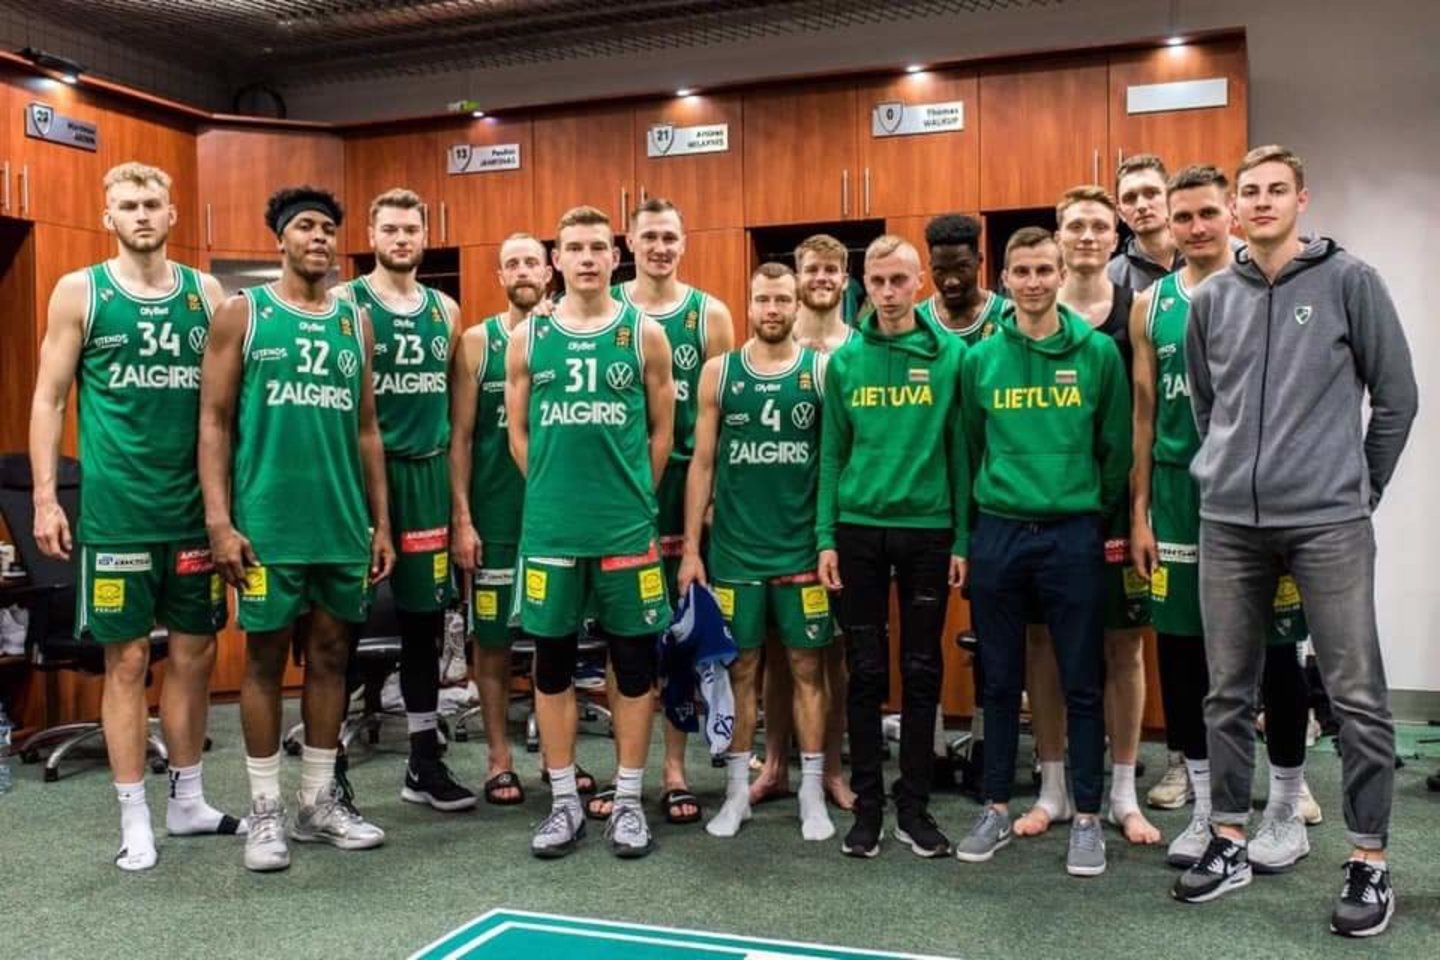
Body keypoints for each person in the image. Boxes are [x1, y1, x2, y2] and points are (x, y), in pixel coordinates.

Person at [1172, 146, 1417, 939]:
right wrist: (1226, 472)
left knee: (1355, 695)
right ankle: (1229, 840)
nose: (1262, 202)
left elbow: (1397, 398)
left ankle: (1369, 858)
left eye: (1277, 189)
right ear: (1235, 208)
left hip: (1327, 523)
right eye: (1250, 191)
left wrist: (1359, 489)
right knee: (1226, 691)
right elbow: (1207, 405)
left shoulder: (1350, 281)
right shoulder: (1213, 298)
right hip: (1230, 525)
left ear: (1301, 200)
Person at [29, 162, 243, 872]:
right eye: (128, 205)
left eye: (152, 203)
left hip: (193, 512)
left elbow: (227, 406)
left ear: (173, 214)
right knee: (125, 662)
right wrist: (45, 496)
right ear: (109, 217)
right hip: (118, 515)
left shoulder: (204, 293)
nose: (142, 214)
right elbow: (49, 398)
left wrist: (230, 506)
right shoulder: (80, 291)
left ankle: (188, 801)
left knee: (194, 655)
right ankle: (134, 817)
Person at [1131, 164, 1323, 874]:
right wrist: (1140, 511)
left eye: (1208, 212)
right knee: (1183, 654)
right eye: (1183, 216)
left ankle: (1286, 804)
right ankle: (1210, 807)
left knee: (1275, 652)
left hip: (1259, 495)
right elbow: (1144, 414)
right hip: (1180, 494)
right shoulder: (1151, 304)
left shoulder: (1271, 288)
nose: (1196, 227)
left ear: (1232, 216)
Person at [199, 186, 394, 872]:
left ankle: (316, 803)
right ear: (280, 238)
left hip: (340, 522)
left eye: (328, 228)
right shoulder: (242, 313)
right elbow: (214, 421)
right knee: (263, 659)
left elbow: (367, 429)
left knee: (333, 656)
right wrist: (219, 521)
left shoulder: (355, 323)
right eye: (306, 226)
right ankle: (265, 811)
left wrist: (381, 523)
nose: (319, 237)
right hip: (268, 525)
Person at [956, 226, 1129, 878]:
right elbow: (971, 447)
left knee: (1082, 680)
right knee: (1000, 682)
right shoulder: (980, 359)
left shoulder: (1098, 354)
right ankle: (996, 806)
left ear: (1061, 275)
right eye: (1021, 271)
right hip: (999, 532)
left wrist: (1084, 511)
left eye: (1043, 270)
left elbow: (1114, 449)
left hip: (1072, 532)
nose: (1032, 282)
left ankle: (1087, 818)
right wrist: (975, 531)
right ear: (1004, 280)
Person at [510, 205, 675, 859]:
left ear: (615, 256)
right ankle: (564, 802)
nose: (585, 258)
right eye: (573, 248)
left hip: (625, 528)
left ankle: (628, 801)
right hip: (551, 529)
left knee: (633, 667)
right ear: (558, 259)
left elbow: (661, 431)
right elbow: (517, 430)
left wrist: (634, 492)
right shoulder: (529, 337)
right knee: (551, 666)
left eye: (596, 248)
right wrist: (552, 486)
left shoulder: (644, 335)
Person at [1013, 186, 1158, 846]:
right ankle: (1054, 786)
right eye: (1076, 226)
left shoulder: (1135, 309)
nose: (1088, 236)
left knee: (1123, 645)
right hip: (1043, 508)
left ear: (1115, 234)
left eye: (1100, 225)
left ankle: (1123, 790)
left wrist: (1138, 510)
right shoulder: (1026, 313)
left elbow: (1142, 415)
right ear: (1058, 233)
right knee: (1043, 643)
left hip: (1113, 508)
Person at [817, 235, 968, 859]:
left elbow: (960, 452)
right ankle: (868, 807)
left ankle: (914, 806)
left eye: (899, 280)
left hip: (929, 530)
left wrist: (962, 537)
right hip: (858, 530)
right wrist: (825, 536)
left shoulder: (952, 355)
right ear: (865, 284)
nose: (887, 293)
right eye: (877, 281)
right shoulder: (846, 361)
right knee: (866, 671)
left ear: (919, 283)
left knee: (922, 668)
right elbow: (833, 454)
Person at [588, 197, 733, 827]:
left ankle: (675, 769)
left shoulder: (709, 315)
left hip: (682, 491)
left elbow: (725, 417)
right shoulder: (605, 310)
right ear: (629, 243)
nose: (660, 248)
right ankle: (627, 771)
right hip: (620, 492)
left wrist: (710, 502)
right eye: (649, 237)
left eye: (670, 237)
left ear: (684, 243)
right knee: (623, 638)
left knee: (679, 635)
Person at [678, 262, 834, 841]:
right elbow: (702, 464)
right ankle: (736, 793)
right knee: (741, 669)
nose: (772, 309)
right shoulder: (719, 373)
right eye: (763, 300)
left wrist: (828, 541)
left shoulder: (821, 371)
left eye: (782, 300)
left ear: (798, 305)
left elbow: (833, 462)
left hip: (800, 552)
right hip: (736, 552)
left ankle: (811, 793)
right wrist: (691, 549)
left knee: (808, 668)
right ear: (749, 304)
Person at [341, 189, 471, 811]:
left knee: (425, 625)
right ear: (371, 235)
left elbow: (455, 414)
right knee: (340, 626)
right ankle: (329, 771)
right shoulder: (346, 304)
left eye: (410, 230)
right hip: (358, 477)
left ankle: (424, 760)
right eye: (390, 229)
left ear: (425, 235)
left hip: (425, 479)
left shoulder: (446, 309)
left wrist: (459, 510)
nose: (401, 239)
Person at [450, 233, 552, 807]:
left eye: (531, 261)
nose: (523, 271)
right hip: (495, 518)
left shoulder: (567, 335)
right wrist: (462, 518)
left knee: (555, 640)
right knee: (491, 644)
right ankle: (499, 759)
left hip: (555, 518)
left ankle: (560, 758)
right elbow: (461, 438)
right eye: (512, 263)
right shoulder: (476, 343)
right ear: (500, 276)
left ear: (549, 271)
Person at [756, 233, 855, 814]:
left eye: (830, 270)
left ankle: (832, 769)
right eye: (811, 269)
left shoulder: (856, 347)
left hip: (835, 525)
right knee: (775, 652)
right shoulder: (774, 346)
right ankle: (773, 764)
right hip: (774, 523)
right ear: (795, 280)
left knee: (830, 653)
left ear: (845, 279)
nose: (821, 278)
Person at [920, 214, 1011, 342]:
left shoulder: (1007, 315)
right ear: (931, 266)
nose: (951, 282)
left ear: (979, 261)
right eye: (941, 270)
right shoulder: (919, 320)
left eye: (961, 269)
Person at [1107, 154, 1182, 292]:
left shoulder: (1206, 255)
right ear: (1120, 212)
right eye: (1130, 198)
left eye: (1151, 193)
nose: (1141, 206)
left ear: (1170, 198)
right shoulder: (1111, 277)